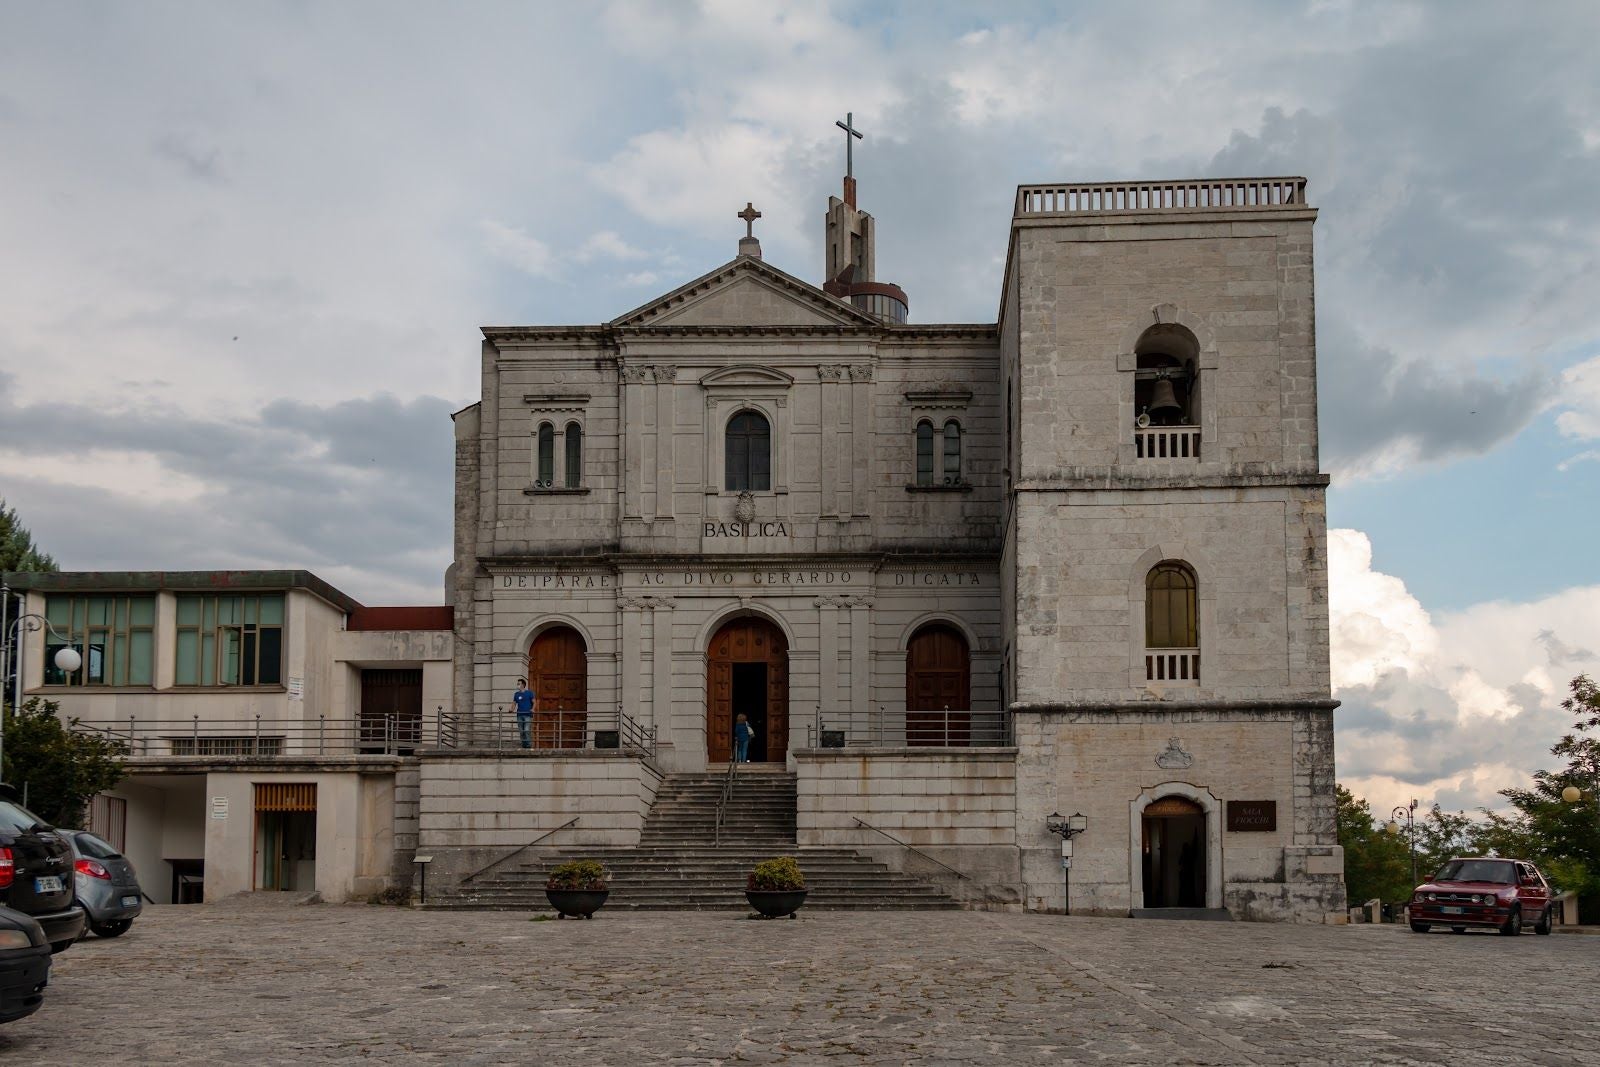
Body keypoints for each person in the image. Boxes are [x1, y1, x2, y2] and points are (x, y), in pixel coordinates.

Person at [513, 678, 535, 749]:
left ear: (523, 685)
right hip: (519, 715)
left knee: (526, 730)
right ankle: (524, 745)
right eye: (517, 684)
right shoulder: (516, 694)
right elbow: (514, 703)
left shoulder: (529, 693)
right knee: (521, 731)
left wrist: (533, 709)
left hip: (528, 715)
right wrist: (511, 709)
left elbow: (534, 702)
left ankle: (528, 746)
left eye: (519, 684)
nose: (517, 685)